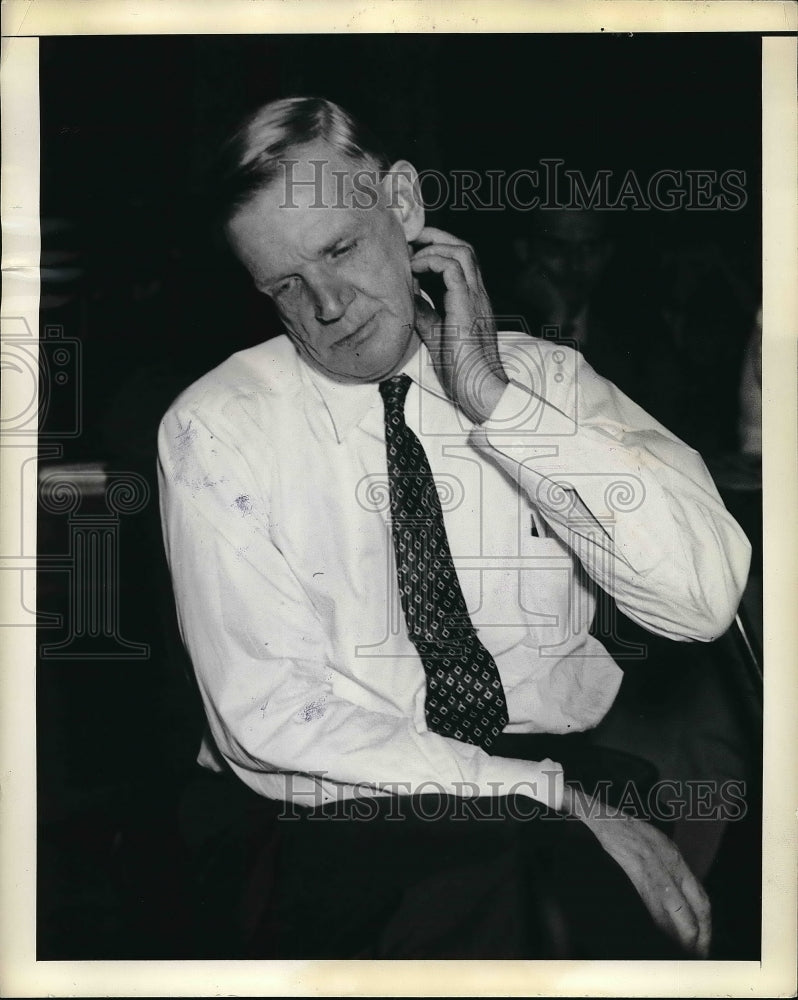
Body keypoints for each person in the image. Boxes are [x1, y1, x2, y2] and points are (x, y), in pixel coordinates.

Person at [157, 97, 751, 959]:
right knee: (497, 898)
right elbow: (279, 716)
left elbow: (701, 596)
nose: (325, 306)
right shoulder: (217, 426)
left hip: (546, 780)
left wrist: (501, 409)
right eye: (285, 284)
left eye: (340, 249)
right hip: (320, 801)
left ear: (403, 206)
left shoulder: (544, 381)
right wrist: (546, 796)